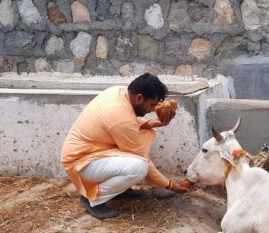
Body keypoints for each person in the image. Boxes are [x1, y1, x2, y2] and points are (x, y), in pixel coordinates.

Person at [61, 73, 189, 219]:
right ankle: (92, 199)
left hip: (95, 152)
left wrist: (153, 123)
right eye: (152, 104)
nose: (153, 110)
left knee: (146, 134)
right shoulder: (120, 116)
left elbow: (125, 122)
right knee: (138, 167)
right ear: (139, 97)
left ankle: (117, 191)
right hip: (81, 163)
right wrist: (171, 185)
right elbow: (140, 155)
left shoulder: (120, 92)